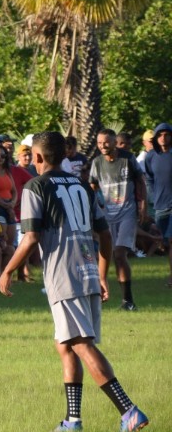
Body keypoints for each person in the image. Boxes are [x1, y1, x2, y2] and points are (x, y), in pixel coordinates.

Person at [0, 132, 148, 432]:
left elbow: (31, 237)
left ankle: (128, 410)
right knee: (65, 344)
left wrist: (7, 270)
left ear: (37, 157)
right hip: (88, 267)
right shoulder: (81, 183)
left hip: (63, 273)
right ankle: (73, 420)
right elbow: (104, 234)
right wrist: (102, 274)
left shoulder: (34, 186)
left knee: (79, 342)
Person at [86, 129, 145, 310]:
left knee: (120, 254)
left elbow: (140, 181)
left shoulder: (128, 159)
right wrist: (91, 209)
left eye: (106, 142)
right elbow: (93, 187)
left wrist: (142, 205)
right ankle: (102, 290)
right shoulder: (96, 163)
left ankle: (128, 300)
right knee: (106, 254)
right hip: (107, 215)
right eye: (99, 143)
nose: (103, 146)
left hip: (127, 212)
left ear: (114, 142)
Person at [141, 122, 172, 287]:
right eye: (160, 135)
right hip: (160, 205)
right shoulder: (151, 156)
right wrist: (153, 194)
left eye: (167, 134)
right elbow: (150, 178)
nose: (163, 137)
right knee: (162, 242)